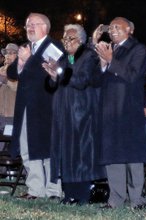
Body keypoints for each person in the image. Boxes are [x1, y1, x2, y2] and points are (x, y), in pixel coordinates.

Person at [42, 24, 105, 205]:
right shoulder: (62, 57)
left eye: (70, 39)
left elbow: (82, 81)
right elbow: (53, 86)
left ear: (81, 40)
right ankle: (69, 194)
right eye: (64, 39)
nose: (66, 42)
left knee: (81, 155)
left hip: (82, 114)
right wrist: (53, 76)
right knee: (65, 153)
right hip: (63, 113)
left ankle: (83, 195)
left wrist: (60, 73)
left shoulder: (89, 56)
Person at [94, 17, 146, 209]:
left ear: (130, 30)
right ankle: (116, 199)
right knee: (113, 157)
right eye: (110, 28)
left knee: (133, 156)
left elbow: (134, 76)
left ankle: (137, 200)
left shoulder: (139, 49)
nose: (112, 31)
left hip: (129, 109)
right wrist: (103, 64)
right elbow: (98, 81)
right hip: (109, 110)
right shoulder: (110, 50)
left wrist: (111, 61)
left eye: (118, 27)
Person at [7, 12, 63, 200]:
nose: (29, 27)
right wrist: (21, 61)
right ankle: (35, 189)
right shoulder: (26, 48)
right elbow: (11, 72)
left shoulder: (53, 47)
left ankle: (53, 191)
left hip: (46, 109)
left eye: (33, 24)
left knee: (47, 150)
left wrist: (28, 60)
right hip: (25, 109)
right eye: (27, 24)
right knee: (27, 149)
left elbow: (54, 74)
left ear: (45, 27)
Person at [0, 43, 18, 134]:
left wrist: (6, 80)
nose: (8, 55)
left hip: (12, 115)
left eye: (12, 53)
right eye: (6, 53)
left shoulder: (21, 70)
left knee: (11, 141)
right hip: (0, 115)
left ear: (17, 55)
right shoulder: (1, 70)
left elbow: (19, 88)